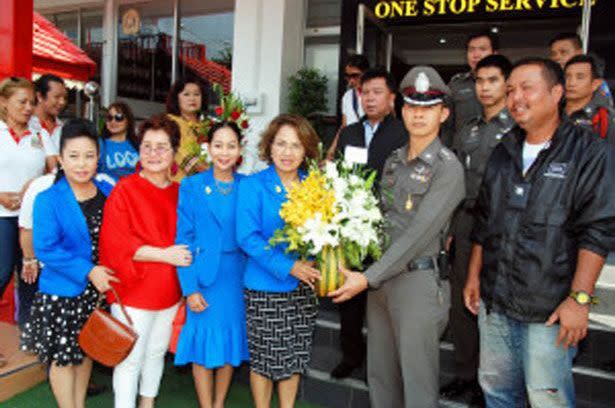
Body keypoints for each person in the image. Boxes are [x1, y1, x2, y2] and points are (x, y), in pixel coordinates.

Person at [464, 58, 615, 408]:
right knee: (499, 395)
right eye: (512, 89)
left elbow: (597, 230)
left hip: (549, 309)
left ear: (556, 92)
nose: (516, 97)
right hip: (496, 302)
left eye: (526, 88)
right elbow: (484, 220)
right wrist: (473, 277)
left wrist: (579, 300)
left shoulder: (588, 152)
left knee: (548, 399)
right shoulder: (504, 151)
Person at [330, 66, 465, 408]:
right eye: (412, 106)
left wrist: (367, 278)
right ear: (402, 110)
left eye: (429, 107)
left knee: (417, 385)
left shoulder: (447, 167)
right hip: (379, 283)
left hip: (416, 282)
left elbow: (419, 234)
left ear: (444, 113)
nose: (419, 114)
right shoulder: (392, 160)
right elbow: (377, 220)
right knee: (381, 378)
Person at [20, 119, 117, 408]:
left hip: (94, 293)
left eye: (89, 155)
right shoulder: (48, 198)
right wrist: (89, 271)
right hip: (61, 292)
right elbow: (45, 249)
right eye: (73, 156)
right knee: (63, 357)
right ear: (60, 159)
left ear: (99, 158)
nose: (82, 164)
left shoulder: (108, 193)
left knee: (85, 351)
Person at [99, 114, 189, 408]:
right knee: (129, 358)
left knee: (156, 352)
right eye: (147, 146)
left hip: (169, 289)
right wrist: (164, 254)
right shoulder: (125, 188)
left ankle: (147, 403)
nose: (153, 154)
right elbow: (117, 244)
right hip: (133, 288)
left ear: (175, 151)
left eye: (162, 147)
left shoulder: (181, 193)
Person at [442, 54, 514, 404]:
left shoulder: (518, 127)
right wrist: (452, 226)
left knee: (492, 305)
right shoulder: (466, 128)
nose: (484, 88)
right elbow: (455, 181)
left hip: (504, 227)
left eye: (493, 80)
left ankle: (494, 384)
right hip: (467, 220)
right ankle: (465, 375)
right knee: (461, 303)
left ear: (507, 84)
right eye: (480, 81)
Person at [236, 114, 321, 408]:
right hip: (266, 287)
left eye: (296, 145)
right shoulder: (253, 186)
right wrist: (290, 267)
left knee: (294, 357)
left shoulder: (316, 184)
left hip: (304, 287)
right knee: (264, 360)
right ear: (269, 147)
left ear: (307, 150)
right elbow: (247, 238)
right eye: (281, 144)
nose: (288, 152)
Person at [330, 67, 407, 379]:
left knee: (384, 298)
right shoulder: (349, 134)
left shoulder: (404, 133)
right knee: (350, 296)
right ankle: (351, 356)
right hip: (352, 230)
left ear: (391, 98)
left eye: (377, 92)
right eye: (365, 93)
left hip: (389, 230)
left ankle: (383, 361)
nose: (370, 98)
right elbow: (337, 176)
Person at [174, 121, 249, 408]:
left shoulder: (248, 186)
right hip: (203, 277)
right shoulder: (192, 186)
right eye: (218, 145)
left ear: (240, 149)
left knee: (230, 344)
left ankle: (219, 404)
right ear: (208, 148)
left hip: (237, 277)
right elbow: (184, 238)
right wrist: (189, 288)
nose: (224, 152)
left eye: (231, 146)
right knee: (203, 345)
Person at [0, 77, 57, 335]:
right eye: (21, 102)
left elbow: (56, 169)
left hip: (32, 218)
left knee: (30, 275)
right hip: (2, 215)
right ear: (3, 102)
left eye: (31, 103)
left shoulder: (39, 132)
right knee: (2, 274)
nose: (28, 108)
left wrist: (34, 184)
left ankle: (29, 334)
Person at [443, 30, 498, 147]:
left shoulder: (507, 83)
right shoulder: (456, 85)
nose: (476, 54)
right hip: (463, 154)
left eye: (482, 49)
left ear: (495, 54)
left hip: (497, 152)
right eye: (471, 50)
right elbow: (447, 128)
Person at [549, 32, 613, 107]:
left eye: (563, 52)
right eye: (553, 54)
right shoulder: (553, 80)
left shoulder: (593, 81)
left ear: (579, 53)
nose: (557, 58)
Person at [326, 54, 369, 160]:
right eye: (348, 76)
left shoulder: (376, 96)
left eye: (355, 76)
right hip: (353, 145)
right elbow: (344, 125)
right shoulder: (348, 96)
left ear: (366, 73)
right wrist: (332, 149)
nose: (351, 81)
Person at [166, 78, 210, 182]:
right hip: (179, 183)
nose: (192, 99)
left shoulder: (207, 125)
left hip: (207, 183)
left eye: (197, 94)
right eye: (186, 94)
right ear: (176, 98)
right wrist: (212, 173)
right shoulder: (170, 122)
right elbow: (180, 153)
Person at [564, 55, 615, 143]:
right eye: (567, 76)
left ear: (595, 84)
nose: (571, 83)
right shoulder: (551, 109)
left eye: (580, 77)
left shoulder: (605, 118)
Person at [98, 101, 139, 181]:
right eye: (109, 118)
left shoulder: (139, 144)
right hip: (108, 191)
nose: (113, 121)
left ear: (128, 120)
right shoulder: (100, 144)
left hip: (135, 191)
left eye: (119, 117)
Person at [30, 73, 67, 151]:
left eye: (64, 98)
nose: (62, 102)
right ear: (39, 96)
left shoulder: (63, 128)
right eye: (57, 97)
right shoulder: (26, 124)